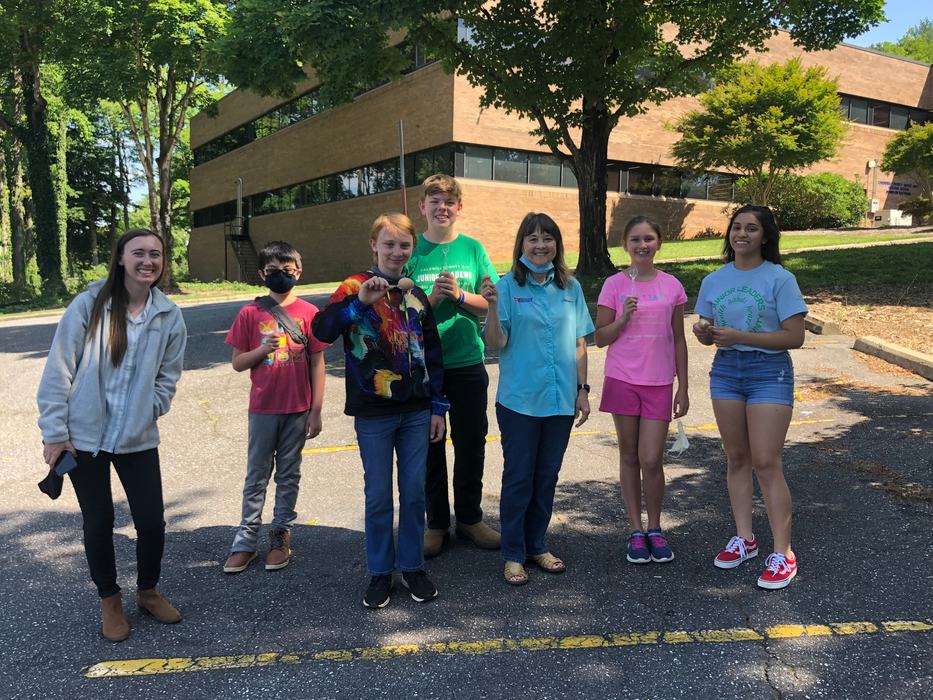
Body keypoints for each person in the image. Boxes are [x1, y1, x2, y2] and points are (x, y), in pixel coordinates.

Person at [36, 228, 187, 642]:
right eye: (138, 253)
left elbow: (168, 377)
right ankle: (110, 600)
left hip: (138, 438)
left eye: (155, 254)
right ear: (120, 257)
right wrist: (55, 433)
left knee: (153, 522)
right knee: (98, 522)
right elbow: (58, 370)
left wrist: (151, 408)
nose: (148, 261)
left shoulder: (169, 315)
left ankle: (148, 591)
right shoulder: (90, 305)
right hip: (84, 439)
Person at [313, 212, 448, 609]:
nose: (396, 251)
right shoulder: (354, 286)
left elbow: (433, 353)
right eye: (388, 244)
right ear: (374, 245)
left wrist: (438, 405)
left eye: (404, 245)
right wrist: (358, 305)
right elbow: (322, 330)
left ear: (412, 249)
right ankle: (378, 572)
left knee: (414, 494)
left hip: (417, 410)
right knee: (377, 496)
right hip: (373, 412)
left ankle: (412, 566)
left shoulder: (415, 294)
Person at [693, 205, 807, 590]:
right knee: (737, 458)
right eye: (737, 227)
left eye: (752, 228)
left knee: (766, 462)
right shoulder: (713, 279)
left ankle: (783, 554)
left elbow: (794, 336)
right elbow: (709, 327)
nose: (742, 234)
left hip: (768, 373)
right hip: (726, 370)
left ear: (765, 236)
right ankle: (745, 539)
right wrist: (705, 333)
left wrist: (741, 336)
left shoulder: (780, 278)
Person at [481, 212, 594, 586]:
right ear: (521, 245)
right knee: (519, 478)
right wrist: (494, 307)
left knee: (546, 477)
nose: (541, 245)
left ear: (557, 245)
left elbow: (579, 343)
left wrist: (583, 391)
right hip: (520, 402)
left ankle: (536, 544)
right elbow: (495, 344)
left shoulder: (570, 288)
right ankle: (513, 553)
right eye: (533, 238)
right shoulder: (507, 287)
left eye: (548, 238)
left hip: (560, 399)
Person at [407, 174, 501, 557]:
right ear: (422, 207)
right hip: (425, 367)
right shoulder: (411, 252)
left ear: (459, 208)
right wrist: (431, 297)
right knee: (429, 446)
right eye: (435, 200)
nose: (442, 207)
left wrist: (461, 295)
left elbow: (491, 302)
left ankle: (470, 518)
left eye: (449, 201)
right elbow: (400, 314)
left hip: (466, 361)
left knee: (470, 442)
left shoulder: (473, 249)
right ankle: (436, 524)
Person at [222, 241, 327, 575]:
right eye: (273, 271)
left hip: (297, 408)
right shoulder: (250, 313)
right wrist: (261, 350)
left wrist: (317, 408)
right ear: (261, 275)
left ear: (299, 272)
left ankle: (280, 533)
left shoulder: (310, 314)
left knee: (288, 474)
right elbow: (238, 362)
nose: (281, 276)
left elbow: (317, 362)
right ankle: (246, 538)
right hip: (263, 408)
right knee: (257, 474)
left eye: (288, 271)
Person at [595, 216, 688, 565]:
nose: (642, 245)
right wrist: (623, 318)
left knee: (652, 459)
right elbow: (600, 338)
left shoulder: (671, 286)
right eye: (635, 239)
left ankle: (655, 527)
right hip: (622, 378)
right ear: (626, 245)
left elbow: (678, 339)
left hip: (659, 381)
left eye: (649, 238)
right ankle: (636, 530)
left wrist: (684, 387)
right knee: (630, 456)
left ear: (659, 243)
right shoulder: (614, 285)